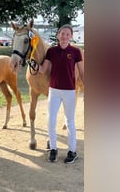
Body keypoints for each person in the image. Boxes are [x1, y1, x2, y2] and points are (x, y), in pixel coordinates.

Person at [39, 25, 84, 163]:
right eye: (62, 33)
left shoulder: (75, 52)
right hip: (54, 91)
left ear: (70, 36)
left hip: (70, 91)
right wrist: (32, 62)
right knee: (51, 120)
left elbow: (82, 72)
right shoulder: (51, 51)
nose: (64, 36)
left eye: (67, 34)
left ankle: (72, 151)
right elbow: (42, 70)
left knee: (70, 122)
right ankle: (53, 149)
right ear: (58, 35)